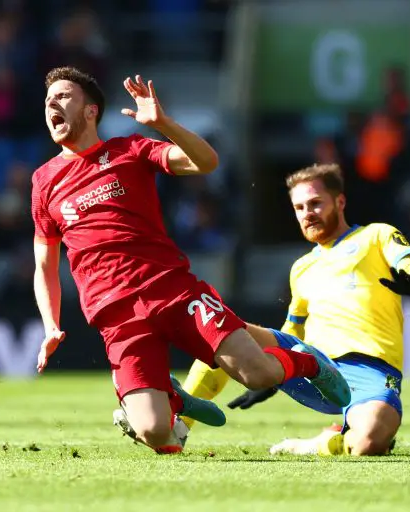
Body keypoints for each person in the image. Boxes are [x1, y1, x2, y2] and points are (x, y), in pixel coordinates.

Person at [31, 67, 351, 455]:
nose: (52, 103)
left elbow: (206, 162)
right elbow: (45, 263)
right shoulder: (44, 181)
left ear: (90, 111)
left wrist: (163, 123)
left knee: (257, 374)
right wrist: (50, 325)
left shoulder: (130, 150)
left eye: (63, 96)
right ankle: (173, 401)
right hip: (116, 315)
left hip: (173, 292)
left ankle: (308, 365)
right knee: (152, 432)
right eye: (48, 99)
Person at [181, 163, 410, 456]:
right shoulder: (301, 268)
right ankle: (179, 426)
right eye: (299, 207)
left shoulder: (375, 236)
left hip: (370, 369)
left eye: (315, 203)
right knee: (223, 332)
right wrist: (268, 373)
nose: (307, 213)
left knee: (369, 443)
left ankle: (325, 442)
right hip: (313, 366)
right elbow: (293, 330)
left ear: (340, 202)